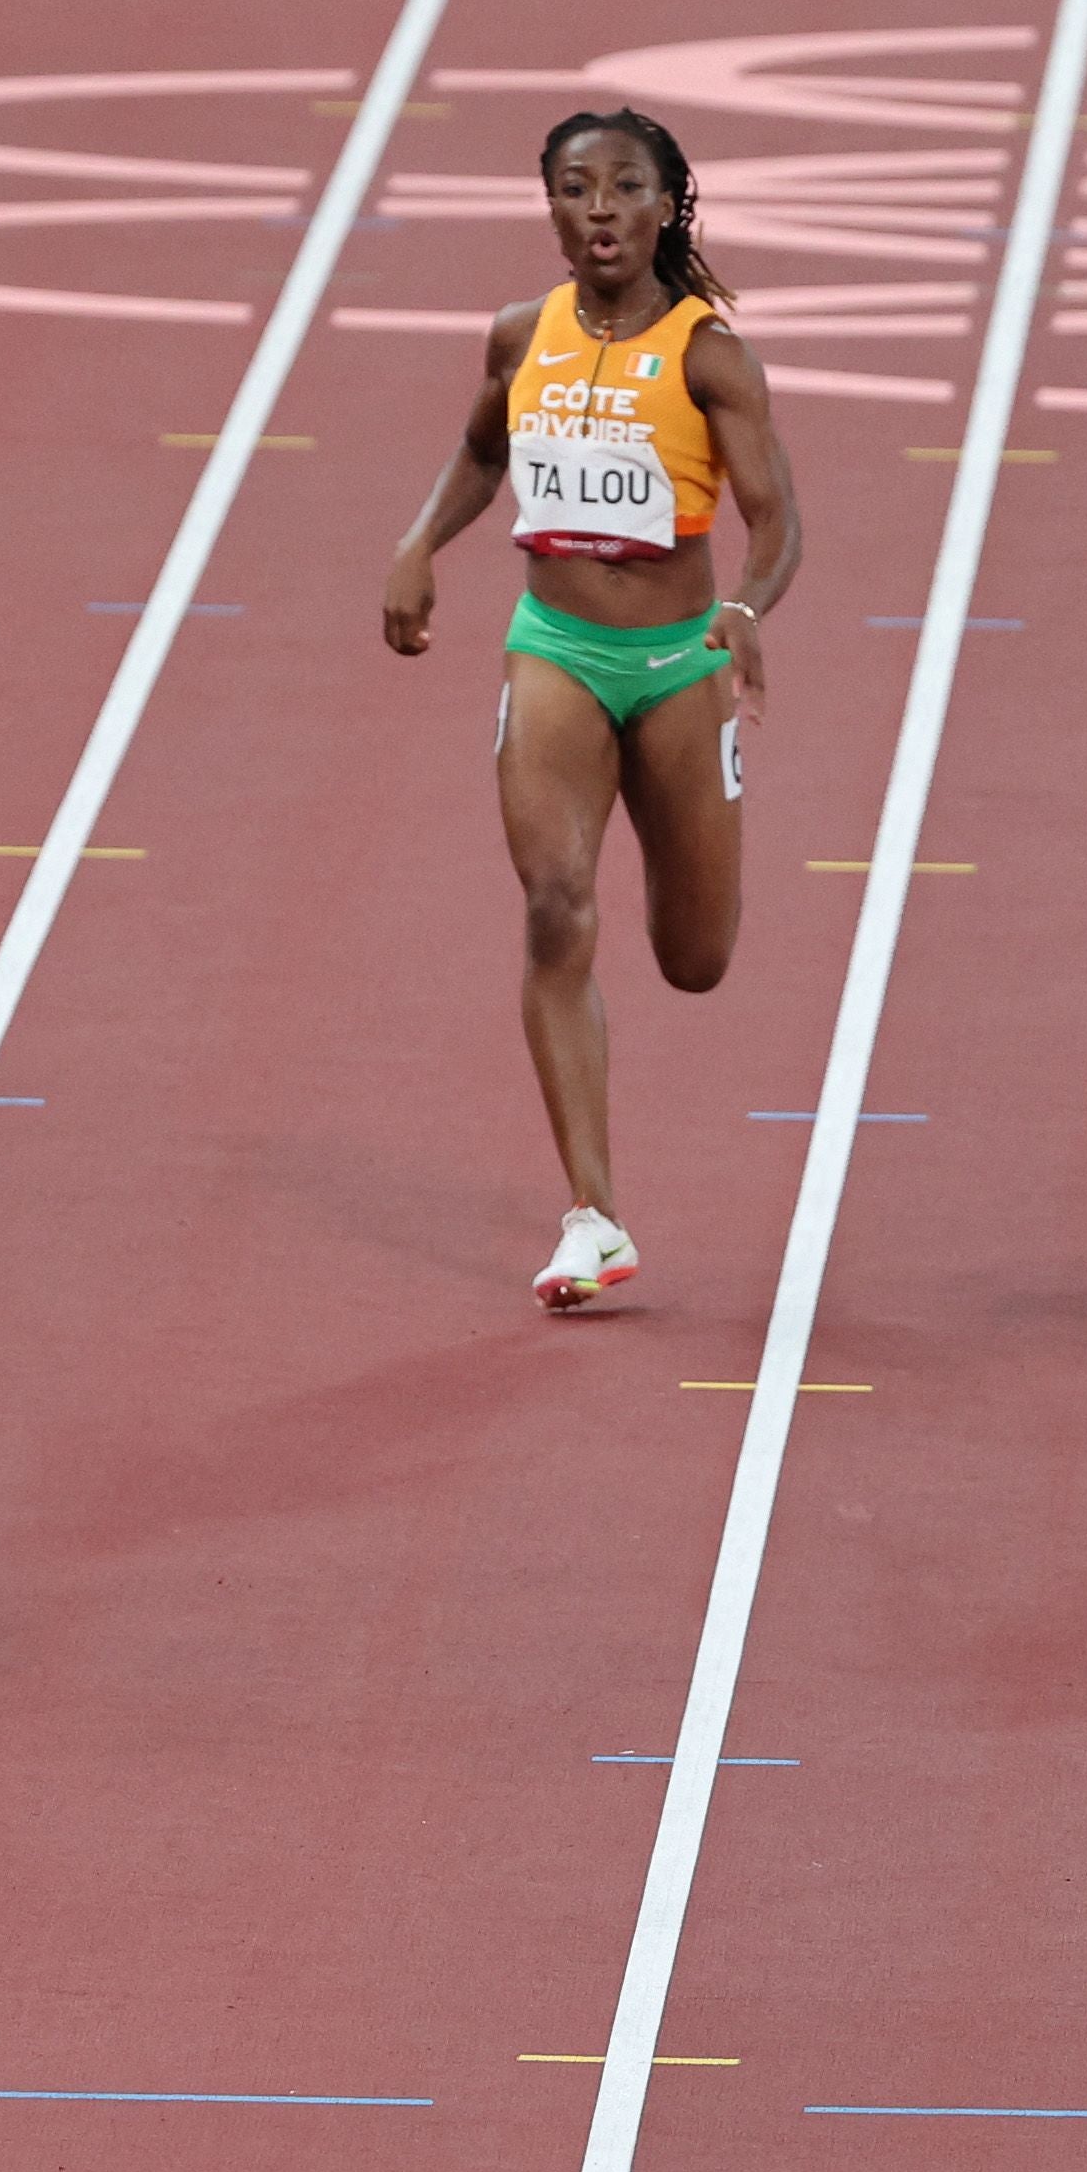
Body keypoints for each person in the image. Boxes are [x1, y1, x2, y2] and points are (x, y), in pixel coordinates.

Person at [379, 107, 804, 1308]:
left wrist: (748, 610)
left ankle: (695, 850)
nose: (601, 209)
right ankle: (593, 1214)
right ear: (551, 208)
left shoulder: (709, 354)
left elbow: (776, 522)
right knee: (557, 905)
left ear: (667, 206)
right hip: (553, 651)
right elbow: (481, 450)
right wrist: (420, 544)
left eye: (625, 188)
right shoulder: (521, 336)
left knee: (695, 958)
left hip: (677, 665)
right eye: (577, 188)